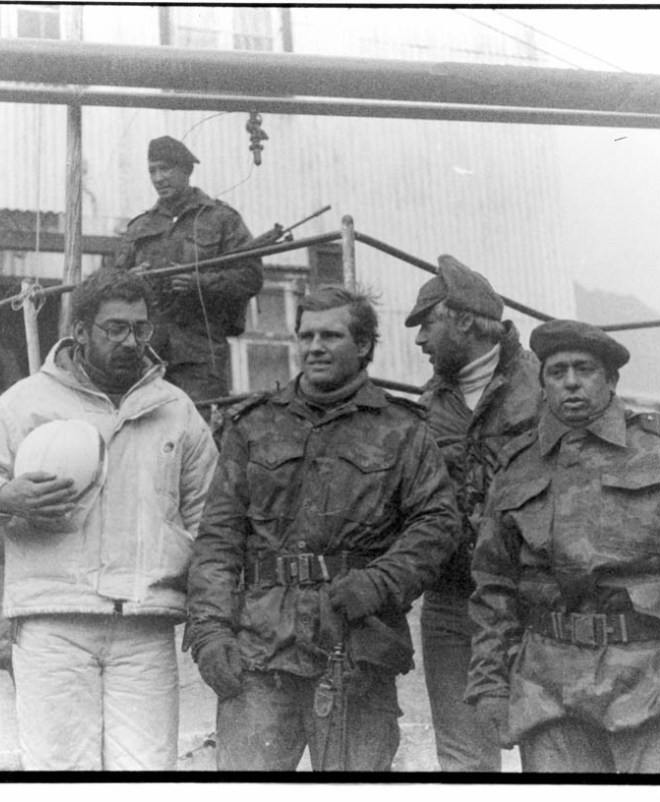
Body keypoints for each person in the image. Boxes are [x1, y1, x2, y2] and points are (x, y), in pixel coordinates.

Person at [0, 270, 218, 771]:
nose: (130, 341)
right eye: (115, 328)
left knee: (148, 775)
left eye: (140, 328)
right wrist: (6, 495)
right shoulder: (27, 401)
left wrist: (192, 588)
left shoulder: (177, 410)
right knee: (61, 774)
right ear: (82, 330)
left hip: (146, 624)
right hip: (53, 621)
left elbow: (209, 518)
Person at [185, 285, 459, 772]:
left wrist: (381, 582)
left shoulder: (402, 429)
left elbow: (437, 524)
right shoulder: (252, 425)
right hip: (259, 656)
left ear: (364, 346)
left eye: (331, 335)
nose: (314, 347)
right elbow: (218, 539)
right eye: (306, 335)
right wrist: (209, 632)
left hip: (357, 649)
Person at [466, 319, 660, 773]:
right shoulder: (517, 467)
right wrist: (488, 681)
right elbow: (493, 584)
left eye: (585, 369)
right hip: (547, 690)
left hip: (647, 681)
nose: (570, 381)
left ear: (610, 380)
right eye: (556, 371)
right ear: (543, 383)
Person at [405, 254, 541, 772]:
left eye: (427, 324)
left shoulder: (545, 388)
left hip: (529, 601)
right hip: (450, 603)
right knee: (464, 762)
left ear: (464, 319)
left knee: (550, 753)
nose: (419, 340)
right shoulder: (430, 399)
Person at [108, 135, 264, 406]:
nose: (158, 178)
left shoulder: (221, 219)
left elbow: (251, 276)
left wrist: (201, 282)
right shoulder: (139, 228)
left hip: (200, 354)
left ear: (186, 170)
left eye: (165, 168)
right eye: (152, 171)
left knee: (201, 429)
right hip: (146, 354)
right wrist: (131, 280)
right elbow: (110, 287)